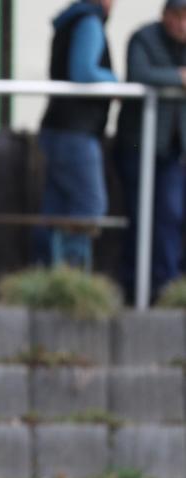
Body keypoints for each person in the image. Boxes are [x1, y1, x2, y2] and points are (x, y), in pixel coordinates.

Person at [37, 0, 116, 267]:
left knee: (57, 210)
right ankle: (69, 276)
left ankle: (46, 275)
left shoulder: (70, 20)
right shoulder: (88, 21)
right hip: (76, 131)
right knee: (89, 206)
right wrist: (118, 82)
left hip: (59, 127)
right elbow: (84, 72)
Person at [116, 0, 186, 302]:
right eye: (178, 17)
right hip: (137, 146)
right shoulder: (143, 37)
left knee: (169, 216)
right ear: (165, 17)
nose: (183, 24)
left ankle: (165, 288)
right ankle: (140, 289)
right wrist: (179, 78)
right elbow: (138, 73)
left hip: (173, 152)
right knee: (140, 217)